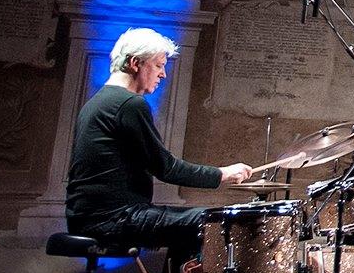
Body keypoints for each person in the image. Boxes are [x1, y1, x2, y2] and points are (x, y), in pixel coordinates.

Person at [66, 28, 253, 256]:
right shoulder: (129, 104)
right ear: (136, 63)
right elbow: (166, 168)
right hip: (114, 219)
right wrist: (223, 173)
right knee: (213, 221)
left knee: (190, 224)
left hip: (85, 217)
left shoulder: (97, 102)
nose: (163, 74)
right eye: (158, 65)